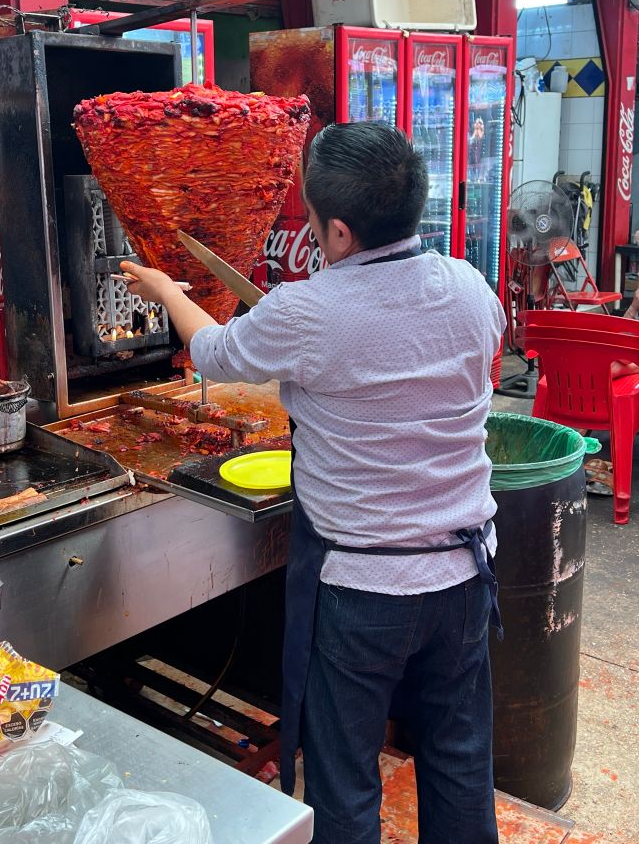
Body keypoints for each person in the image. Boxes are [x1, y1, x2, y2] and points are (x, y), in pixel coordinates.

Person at [120, 123, 506, 844]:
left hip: (365, 594)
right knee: (457, 761)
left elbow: (209, 351)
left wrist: (167, 288)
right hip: (463, 577)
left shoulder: (306, 311)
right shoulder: (469, 285)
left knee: (345, 778)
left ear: (336, 228)